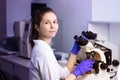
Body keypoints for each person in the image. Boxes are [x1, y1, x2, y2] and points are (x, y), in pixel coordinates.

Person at [29, 7, 94, 80]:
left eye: (54, 22)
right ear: (37, 27)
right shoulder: (43, 53)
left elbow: (63, 74)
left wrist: (74, 52)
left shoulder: (44, 48)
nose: (52, 26)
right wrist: (77, 72)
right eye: (46, 22)